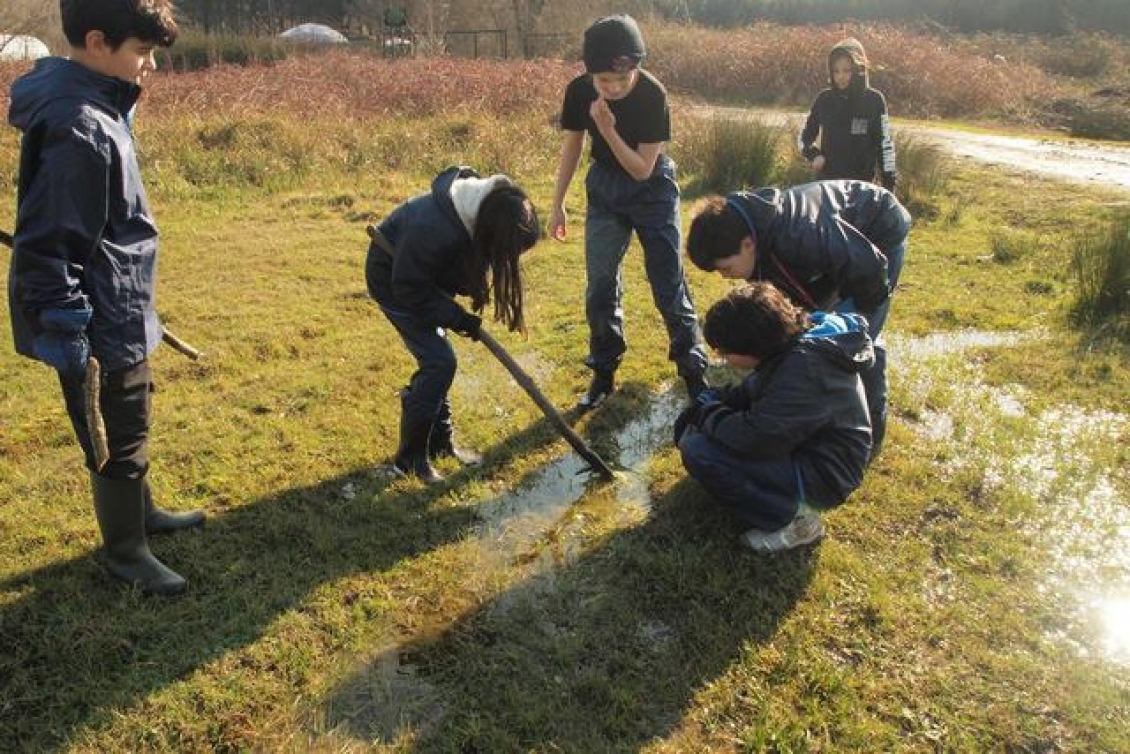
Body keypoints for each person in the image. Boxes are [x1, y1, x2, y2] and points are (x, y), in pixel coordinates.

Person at [7, 0, 202, 595]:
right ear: (96, 42)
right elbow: (49, 240)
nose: (149, 66)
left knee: (132, 417)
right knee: (115, 431)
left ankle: (140, 515)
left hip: (121, 299)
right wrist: (67, 326)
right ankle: (126, 553)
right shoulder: (82, 125)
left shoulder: (99, 106)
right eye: (140, 53)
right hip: (95, 316)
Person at [549, 14, 708, 409]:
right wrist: (557, 204)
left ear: (637, 66)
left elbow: (641, 169)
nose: (615, 87)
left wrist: (606, 129)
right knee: (601, 285)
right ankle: (603, 373)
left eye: (623, 78)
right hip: (604, 189)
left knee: (667, 284)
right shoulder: (578, 91)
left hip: (651, 190)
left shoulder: (653, 94)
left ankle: (694, 375)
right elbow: (572, 147)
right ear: (590, 74)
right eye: (604, 81)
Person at [685, 180, 911, 458]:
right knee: (805, 333)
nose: (726, 277)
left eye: (726, 268)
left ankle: (867, 437)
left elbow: (870, 273)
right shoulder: (750, 231)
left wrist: (853, 323)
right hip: (836, 252)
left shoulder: (799, 235)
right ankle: (803, 416)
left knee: (852, 345)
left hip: (877, 232)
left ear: (747, 244)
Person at [366, 166, 540, 484]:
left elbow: (455, 264)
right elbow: (409, 286)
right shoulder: (431, 228)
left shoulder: (496, 206)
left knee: (439, 362)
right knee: (439, 363)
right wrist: (456, 317)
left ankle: (441, 444)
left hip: (424, 277)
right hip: (394, 280)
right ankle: (410, 460)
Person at [676, 282, 873, 553]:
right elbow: (753, 391)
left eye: (725, 351)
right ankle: (779, 501)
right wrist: (704, 405)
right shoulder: (794, 345)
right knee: (703, 435)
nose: (722, 357)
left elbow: (757, 438)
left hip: (826, 473)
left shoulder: (804, 369)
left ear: (751, 346)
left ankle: (794, 521)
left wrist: (709, 415)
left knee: (700, 451)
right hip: (812, 448)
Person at [798, 37, 897, 190]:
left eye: (847, 70)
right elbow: (804, 137)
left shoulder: (874, 100)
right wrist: (813, 154)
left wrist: (889, 189)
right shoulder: (824, 99)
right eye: (836, 71)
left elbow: (885, 147)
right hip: (827, 187)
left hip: (862, 188)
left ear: (859, 70)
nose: (840, 76)